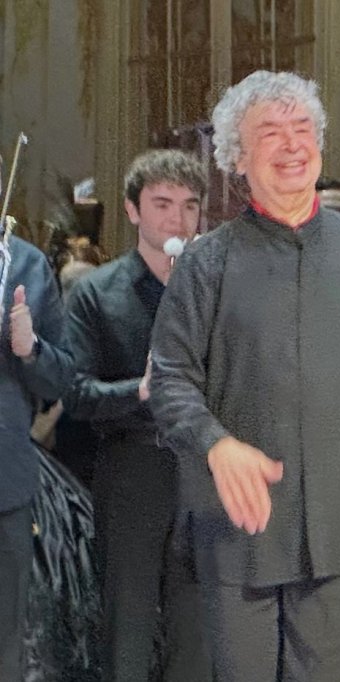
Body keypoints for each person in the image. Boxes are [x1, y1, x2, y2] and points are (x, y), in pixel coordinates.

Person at [148, 71, 340, 681]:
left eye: (302, 128)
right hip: (242, 528)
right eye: (270, 133)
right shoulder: (206, 262)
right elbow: (171, 380)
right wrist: (216, 445)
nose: (291, 144)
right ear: (237, 157)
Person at [63, 149, 213, 681]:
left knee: (197, 635)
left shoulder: (215, 288)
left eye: (189, 206)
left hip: (203, 471)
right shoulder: (96, 293)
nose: (177, 219)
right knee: (126, 629)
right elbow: (77, 394)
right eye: (162, 204)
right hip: (132, 471)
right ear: (132, 210)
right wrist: (142, 391)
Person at [0, 229, 75, 681]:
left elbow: (61, 378)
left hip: (6, 483)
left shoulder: (27, 264)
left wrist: (31, 351)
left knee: (5, 640)